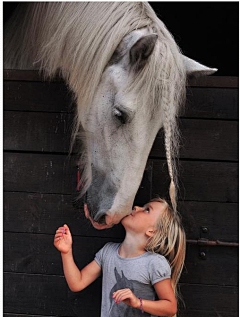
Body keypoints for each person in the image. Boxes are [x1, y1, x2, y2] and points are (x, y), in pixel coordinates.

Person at [54, 197, 186, 317]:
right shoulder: (108, 252)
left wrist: (137, 303)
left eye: (146, 210)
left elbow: (170, 307)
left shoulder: (155, 263)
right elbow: (77, 283)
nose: (136, 207)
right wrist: (66, 252)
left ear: (152, 231)